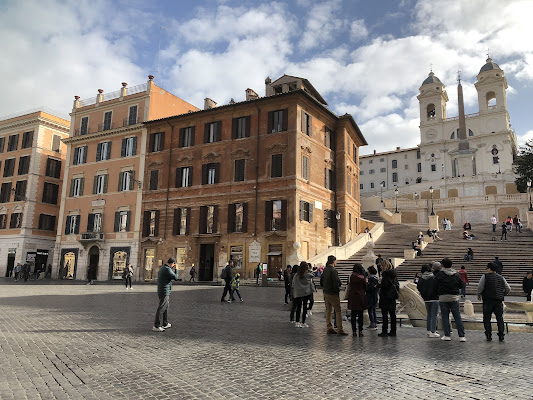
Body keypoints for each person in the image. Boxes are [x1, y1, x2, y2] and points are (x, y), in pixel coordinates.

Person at [477, 262, 511, 341]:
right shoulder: (501, 277)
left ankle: (488, 334)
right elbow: (508, 288)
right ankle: (501, 335)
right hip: (498, 300)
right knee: (499, 318)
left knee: (486, 318)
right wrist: (502, 294)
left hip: (488, 300)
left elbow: (480, 287)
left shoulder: (485, 276)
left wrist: (479, 294)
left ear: (489, 269)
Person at [435, 258, 466, 342]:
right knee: (457, 316)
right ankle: (462, 336)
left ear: (442, 265)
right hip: (454, 297)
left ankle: (447, 335)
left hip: (443, 297)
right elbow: (462, 284)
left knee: (445, 316)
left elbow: (435, 285)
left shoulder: (440, 274)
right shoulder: (456, 274)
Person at [320, 255, 347, 335]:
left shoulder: (325, 269)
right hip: (333, 292)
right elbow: (336, 282)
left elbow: (321, 281)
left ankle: (329, 327)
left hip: (326, 292)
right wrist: (337, 291)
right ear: (333, 261)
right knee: (338, 310)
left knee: (328, 310)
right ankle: (340, 329)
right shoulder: (333, 270)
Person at [152, 258, 180, 332]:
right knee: (161, 308)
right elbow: (176, 277)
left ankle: (165, 323)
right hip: (164, 291)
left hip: (162, 290)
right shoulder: (167, 269)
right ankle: (156, 326)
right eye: (174, 264)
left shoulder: (163, 268)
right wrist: (176, 270)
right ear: (172, 263)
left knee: (166, 307)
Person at [417, 264, 440, 338]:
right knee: (434, 315)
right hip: (434, 298)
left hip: (426, 299)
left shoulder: (421, 278)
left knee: (429, 315)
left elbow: (418, 287)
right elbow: (437, 286)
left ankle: (428, 330)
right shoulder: (433, 277)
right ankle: (433, 331)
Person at [378, 259, 399, 337]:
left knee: (385, 315)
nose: (380, 267)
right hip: (392, 297)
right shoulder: (394, 274)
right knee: (393, 315)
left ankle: (384, 331)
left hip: (385, 297)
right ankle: (393, 331)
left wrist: (379, 285)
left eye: (381, 266)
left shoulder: (385, 274)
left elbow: (384, 286)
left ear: (384, 266)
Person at [347, 263, 367, 337]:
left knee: (353, 315)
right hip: (360, 297)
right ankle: (360, 331)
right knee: (360, 315)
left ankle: (354, 331)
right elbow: (365, 287)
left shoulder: (351, 276)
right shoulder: (362, 277)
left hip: (353, 297)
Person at [292, 261, 314, 328]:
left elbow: (293, 284)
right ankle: (303, 322)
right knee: (304, 308)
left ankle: (297, 322)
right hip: (306, 293)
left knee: (298, 307)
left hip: (298, 293)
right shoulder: (308, 275)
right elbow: (312, 276)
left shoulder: (296, 275)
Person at [366, 266, 379, 330]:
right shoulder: (376, 278)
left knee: (370, 310)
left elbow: (370, 288)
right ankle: (375, 322)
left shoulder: (370, 279)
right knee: (373, 310)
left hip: (370, 296)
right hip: (375, 296)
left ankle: (372, 323)